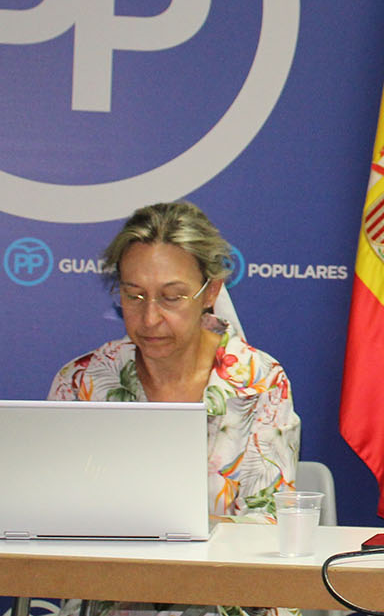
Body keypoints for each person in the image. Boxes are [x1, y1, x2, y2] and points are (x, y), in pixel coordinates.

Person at [48, 201, 299, 616]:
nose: (149, 318)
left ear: (211, 291)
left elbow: (267, 530)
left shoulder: (259, 380)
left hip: (230, 603)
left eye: (171, 297)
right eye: (134, 296)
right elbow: (54, 525)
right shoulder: (84, 381)